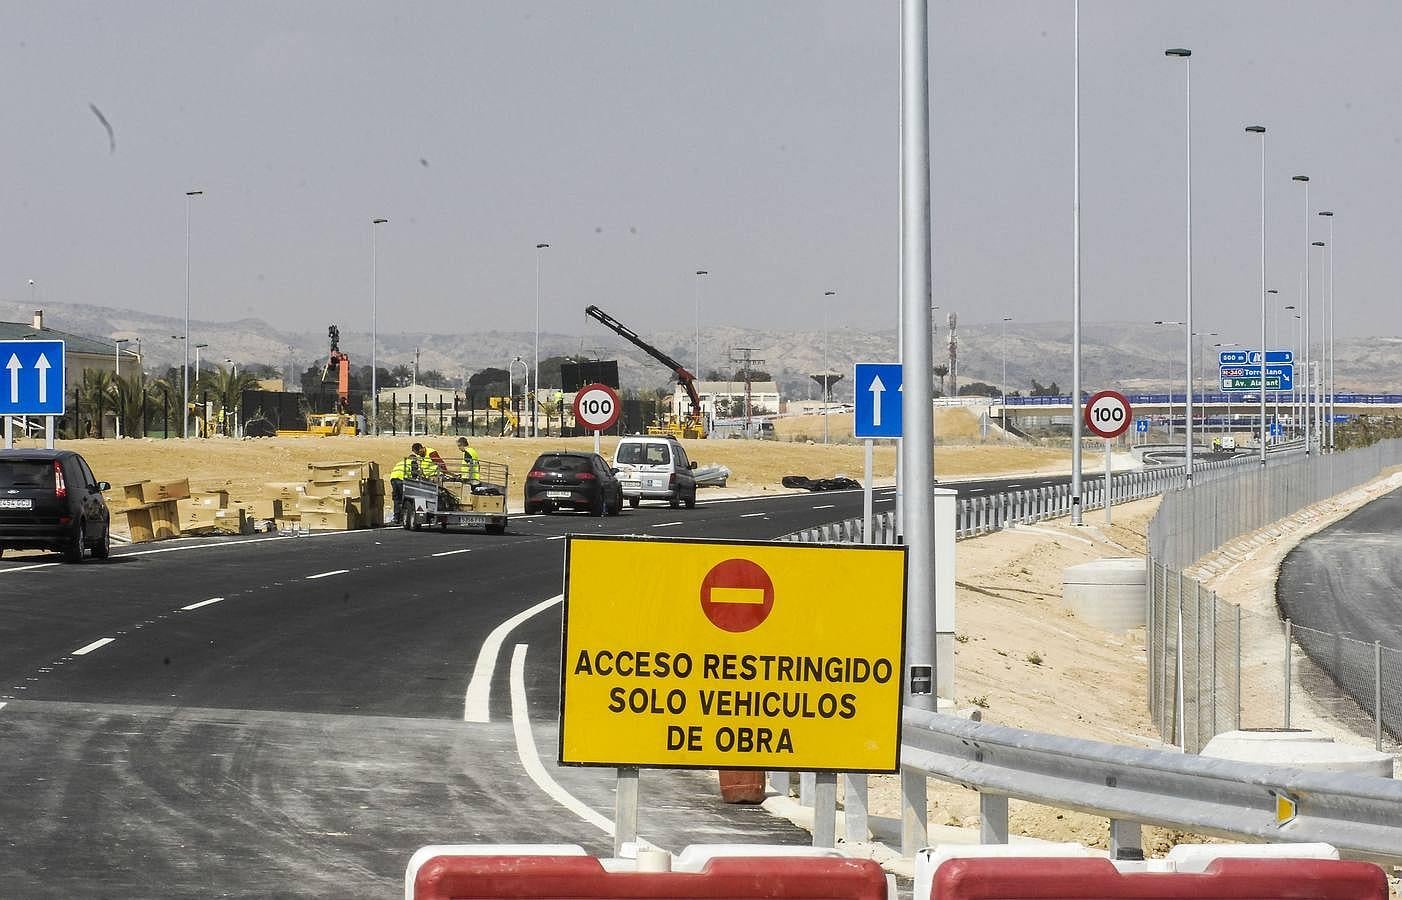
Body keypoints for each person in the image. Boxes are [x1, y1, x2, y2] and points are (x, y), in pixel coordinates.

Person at [388, 444, 422, 524]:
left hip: (393, 479)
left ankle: (396, 518)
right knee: (405, 499)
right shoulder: (413, 462)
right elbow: (414, 475)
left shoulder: (401, 462)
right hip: (401, 480)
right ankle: (404, 517)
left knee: (397, 499)